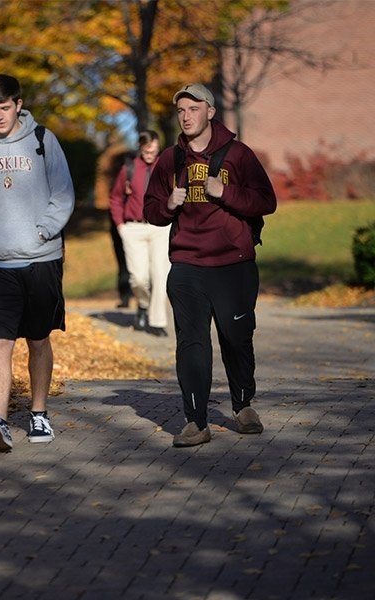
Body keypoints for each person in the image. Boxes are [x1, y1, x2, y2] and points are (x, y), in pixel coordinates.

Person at [144, 83, 277, 447]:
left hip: (234, 264)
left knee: (236, 338)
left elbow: (267, 201)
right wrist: (169, 203)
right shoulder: (170, 161)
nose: (187, 116)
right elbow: (150, 211)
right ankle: (195, 421)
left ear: (210, 112)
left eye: (194, 109)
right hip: (187, 264)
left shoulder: (239, 155)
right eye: (181, 111)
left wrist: (225, 192)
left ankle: (243, 404)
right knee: (192, 342)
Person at [0, 74, 75, 452]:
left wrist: (43, 232)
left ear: (19, 104)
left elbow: (63, 193)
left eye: (5, 108)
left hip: (41, 260)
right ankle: (0, 419)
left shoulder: (43, 141)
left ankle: (39, 413)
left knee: (38, 340)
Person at [109, 130, 170, 337]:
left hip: (160, 228)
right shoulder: (130, 168)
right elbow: (115, 198)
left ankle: (157, 321)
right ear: (140, 149)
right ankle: (143, 305)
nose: (150, 154)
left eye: (153, 150)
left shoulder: (167, 167)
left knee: (160, 275)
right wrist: (120, 226)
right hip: (133, 229)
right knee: (138, 278)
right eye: (146, 151)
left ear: (158, 146)